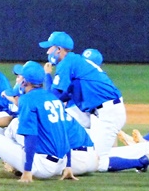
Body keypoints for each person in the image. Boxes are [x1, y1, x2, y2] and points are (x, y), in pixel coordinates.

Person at [0, 61, 87, 184]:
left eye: (21, 77)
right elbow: (64, 133)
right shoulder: (53, 98)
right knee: (14, 125)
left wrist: (27, 171)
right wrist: (68, 166)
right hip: (60, 163)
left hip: (42, 165)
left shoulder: (27, 100)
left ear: (25, 81)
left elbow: (31, 137)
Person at [39, 30, 125, 160]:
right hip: (99, 111)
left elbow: (54, 96)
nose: (47, 52)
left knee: (98, 161)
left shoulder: (67, 63)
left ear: (58, 49)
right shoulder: (74, 61)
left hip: (109, 111)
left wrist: (46, 78)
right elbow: (63, 96)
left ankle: (146, 152)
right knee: (90, 152)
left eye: (50, 48)